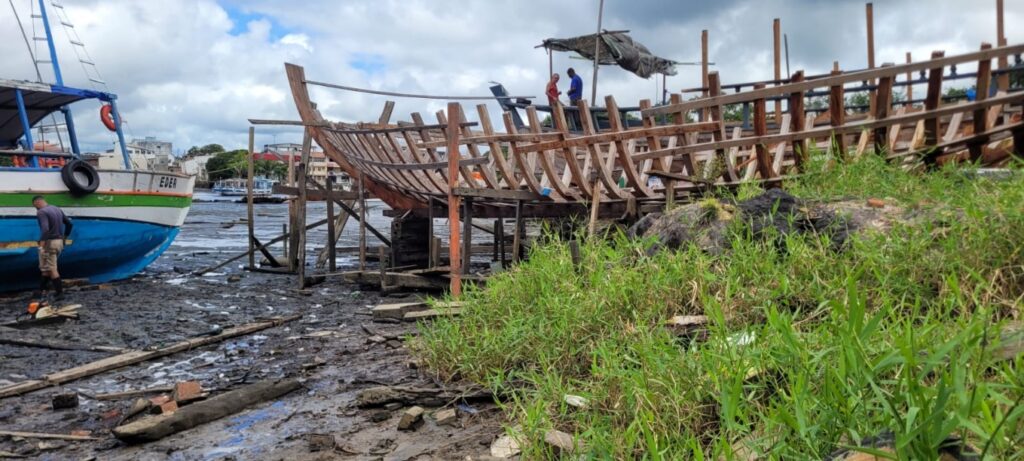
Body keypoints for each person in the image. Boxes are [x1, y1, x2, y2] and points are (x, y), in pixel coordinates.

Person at [33, 196, 72, 299]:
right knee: (46, 267)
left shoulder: (41, 212)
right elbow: (69, 224)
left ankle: (60, 293)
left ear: (37, 203)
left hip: (49, 243)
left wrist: (41, 244)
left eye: (35, 206)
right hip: (59, 242)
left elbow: (45, 229)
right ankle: (40, 291)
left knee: (52, 268)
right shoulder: (56, 209)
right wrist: (64, 238)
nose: (36, 209)